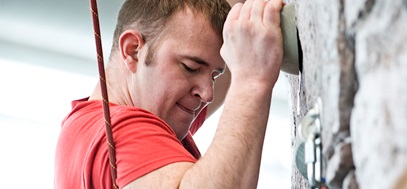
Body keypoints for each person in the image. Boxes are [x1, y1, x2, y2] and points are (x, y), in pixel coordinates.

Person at [54, 0, 284, 188]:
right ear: (133, 50)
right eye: (191, 68)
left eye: (213, 75)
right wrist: (252, 81)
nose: (207, 94)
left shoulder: (87, 129)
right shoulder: (119, 130)